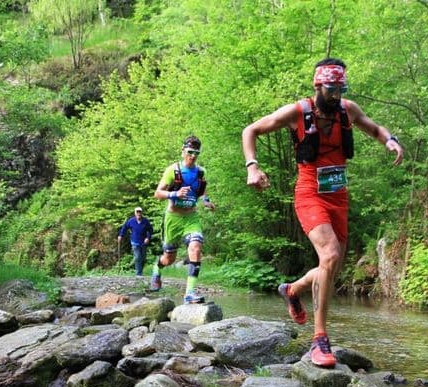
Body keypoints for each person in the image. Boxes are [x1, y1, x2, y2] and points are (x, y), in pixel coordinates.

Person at [242, 58, 403, 367]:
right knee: (329, 255)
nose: (336, 95)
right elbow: (251, 130)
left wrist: (390, 141)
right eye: (331, 89)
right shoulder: (297, 112)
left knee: (331, 268)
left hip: (338, 196)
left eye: (341, 89)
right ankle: (319, 339)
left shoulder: (348, 110)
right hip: (309, 193)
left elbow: (374, 128)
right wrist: (253, 167)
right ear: (318, 86)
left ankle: (293, 290)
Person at [150, 135, 216, 303]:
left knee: (196, 248)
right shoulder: (173, 170)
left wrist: (206, 201)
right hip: (173, 218)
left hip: (191, 217)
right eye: (190, 152)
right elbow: (157, 193)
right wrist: (175, 194)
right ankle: (157, 269)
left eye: (196, 153)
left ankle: (189, 293)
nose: (193, 156)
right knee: (169, 259)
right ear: (183, 150)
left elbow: (202, 191)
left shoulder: (201, 172)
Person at [117, 207, 153, 276]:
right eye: (137, 212)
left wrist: (148, 237)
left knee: (143, 258)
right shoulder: (131, 221)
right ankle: (138, 274)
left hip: (143, 242)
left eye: (140, 212)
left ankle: (141, 271)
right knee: (137, 257)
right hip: (135, 242)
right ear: (135, 213)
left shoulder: (145, 221)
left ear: (141, 213)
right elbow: (124, 228)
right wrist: (121, 235)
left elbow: (150, 230)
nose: (138, 213)